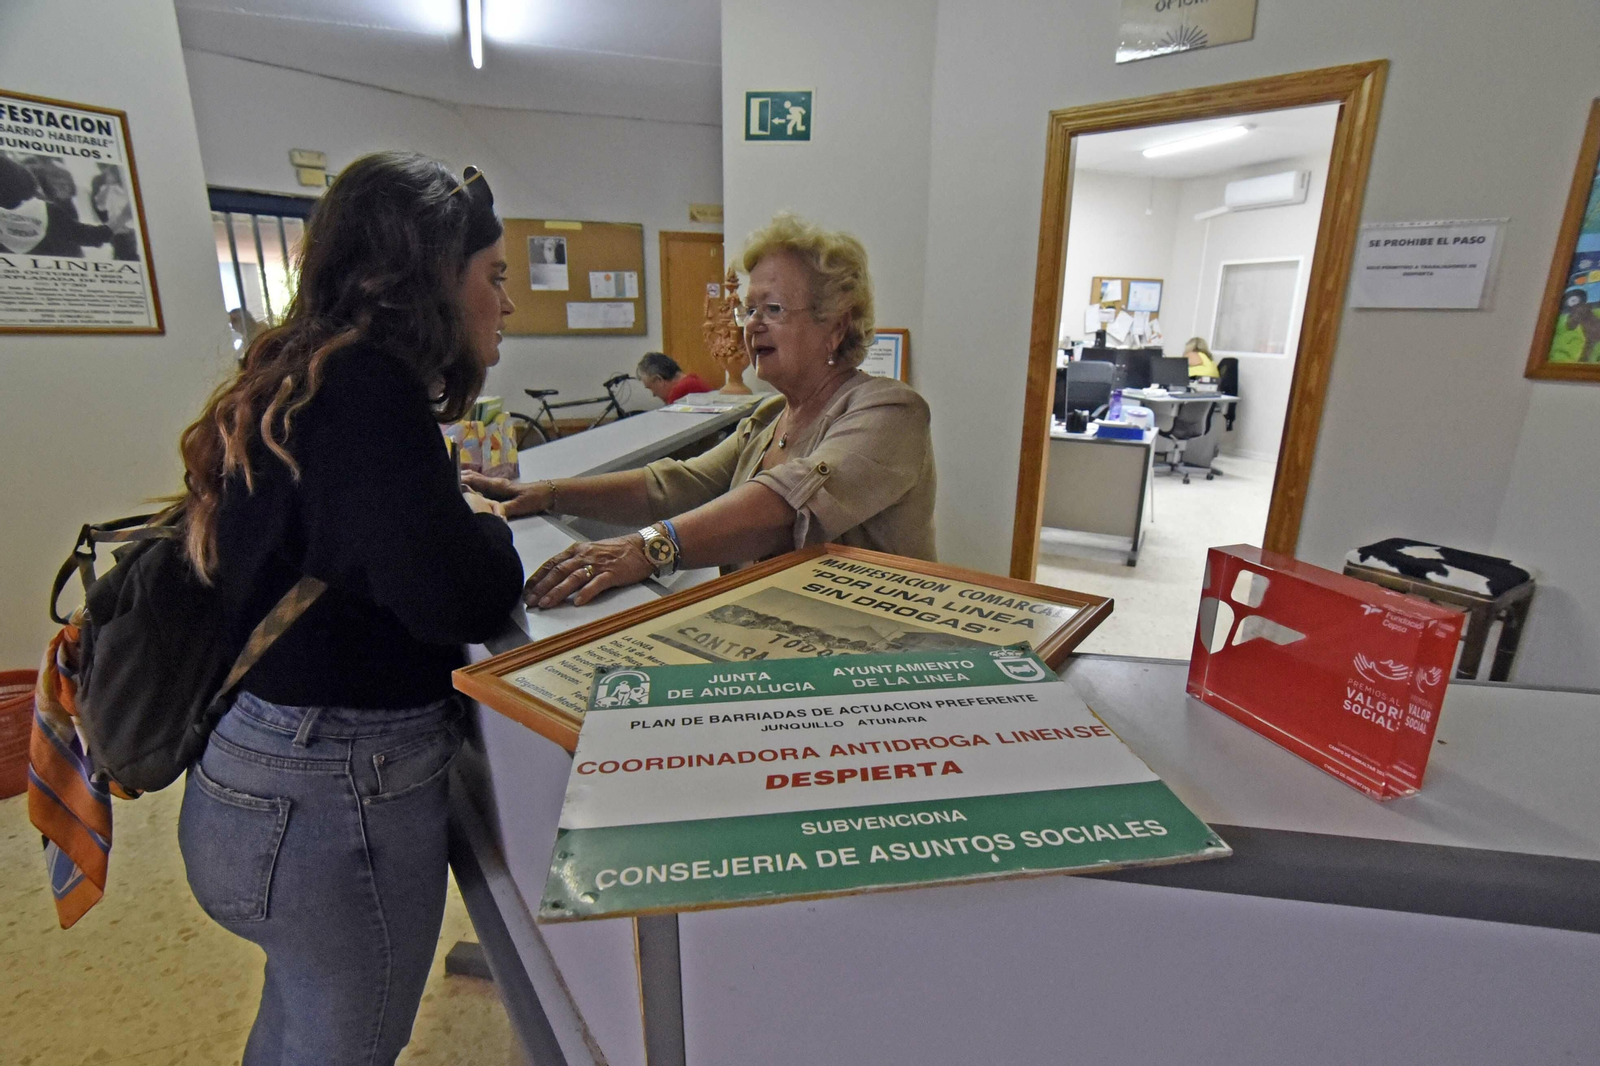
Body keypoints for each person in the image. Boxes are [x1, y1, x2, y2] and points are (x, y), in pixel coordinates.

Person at [174, 152, 523, 1066]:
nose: (507, 302)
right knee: (345, 1044)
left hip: (257, 775)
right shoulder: (371, 396)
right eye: (494, 277)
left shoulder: (306, 374)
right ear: (434, 279)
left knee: (295, 1022)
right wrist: (490, 531)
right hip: (331, 797)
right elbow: (458, 593)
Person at [465, 211, 936, 608]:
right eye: (748, 310)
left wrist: (644, 548)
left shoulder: (890, 411)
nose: (752, 326)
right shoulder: (769, 417)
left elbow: (786, 504)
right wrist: (545, 493)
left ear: (835, 326)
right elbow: (672, 486)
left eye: (772, 309)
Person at [636, 351, 713, 403]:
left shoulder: (679, 393)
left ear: (659, 380)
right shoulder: (692, 380)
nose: (653, 394)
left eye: (651, 388)